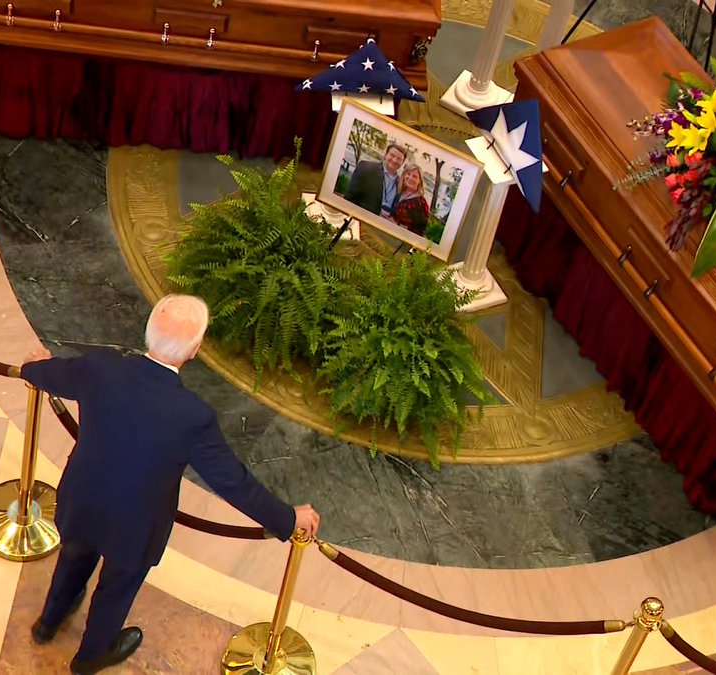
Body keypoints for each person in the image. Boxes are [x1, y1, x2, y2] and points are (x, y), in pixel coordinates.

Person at [21, 294, 321, 674]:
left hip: (80, 499)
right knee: (116, 588)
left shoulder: (100, 369)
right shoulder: (193, 417)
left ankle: (48, 623)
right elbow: (234, 483)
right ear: (194, 350)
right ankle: (90, 656)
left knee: (73, 556)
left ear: (149, 332)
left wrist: (34, 367)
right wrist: (286, 518)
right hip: (134, 528)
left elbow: (50, 373)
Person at [342, 142, 407, 218]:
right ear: (386, 155)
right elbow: (349, 198)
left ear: (402, 163)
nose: (395, 160)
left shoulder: (401, 184)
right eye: (392, 155)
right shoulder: (365, 168)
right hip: (360, 219)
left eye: (399, 159)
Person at [391, 163, 431, 237]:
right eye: (408, 174)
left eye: (415, 176)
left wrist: (399, 226)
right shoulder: (398, 192)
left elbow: (420, 230)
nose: (410, 178)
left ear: (419, 181)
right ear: (404, 175)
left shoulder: (420, 203)